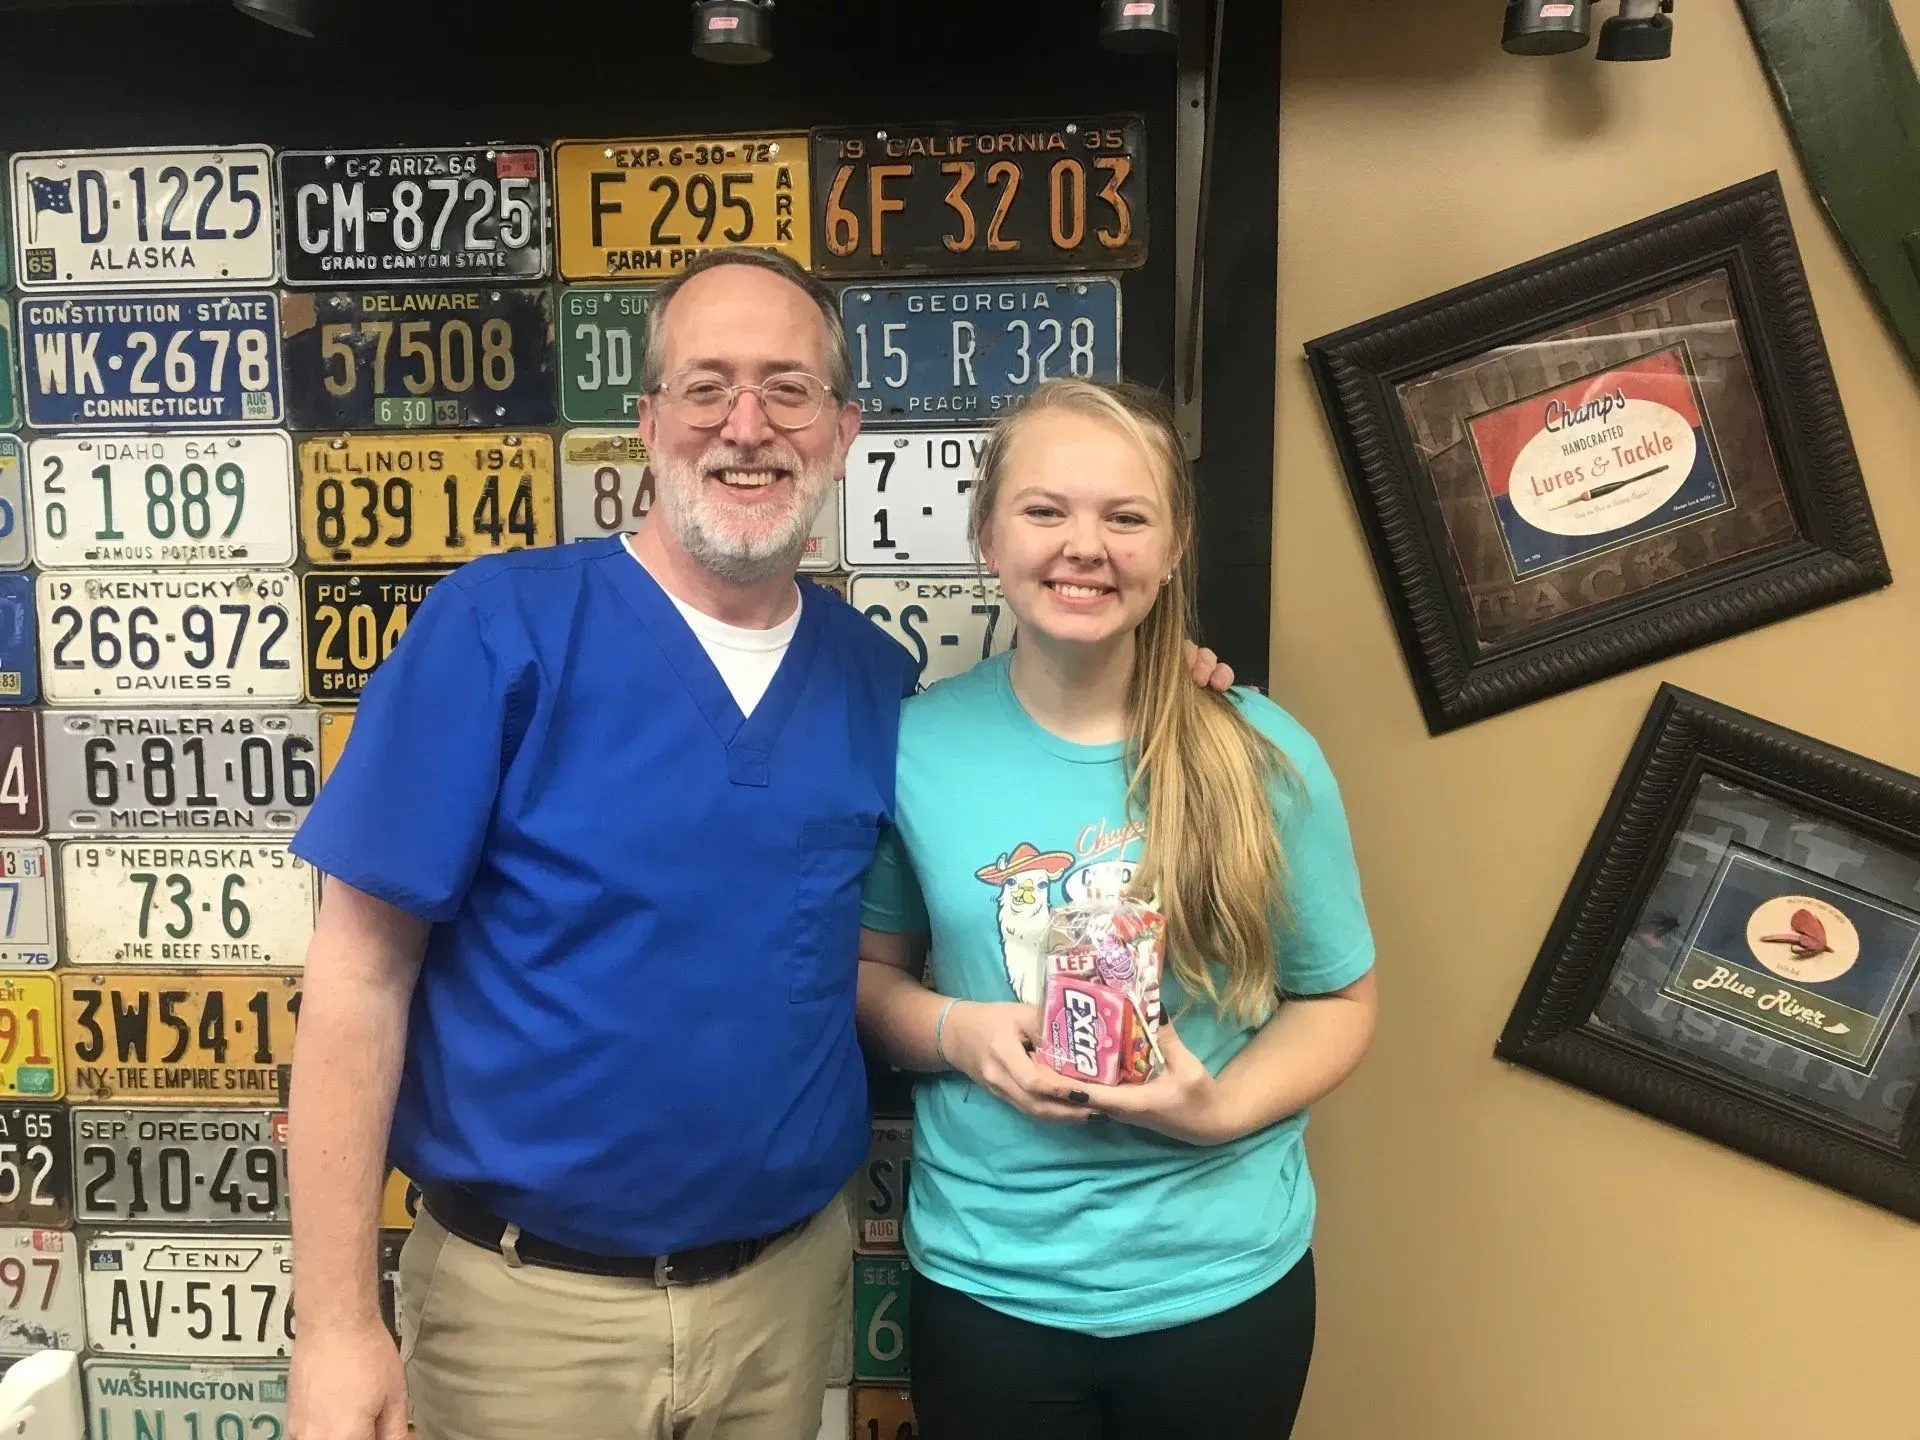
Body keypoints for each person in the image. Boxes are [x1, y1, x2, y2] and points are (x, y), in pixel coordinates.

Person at [284, 248, 1233, 1440]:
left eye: (788, 389)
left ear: (840, 432)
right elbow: (358, 978)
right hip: (527, 1318)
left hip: (783, 1304)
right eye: (706, 387)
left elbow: (1024, 763)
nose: (747, 425)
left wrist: (1165, 679)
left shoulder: (877, 684)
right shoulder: (496, 629)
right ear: (646, 421)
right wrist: (331, 1327)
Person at [856, 378, 1380, 1440]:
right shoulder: (914, 750)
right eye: (1045, 510)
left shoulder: (1262, 754)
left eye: (1125, 516)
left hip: (1221, 1286)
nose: (1082, 546)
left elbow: (1341, 999)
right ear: (987, 536)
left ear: (1176, 543)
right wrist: (962, 1035)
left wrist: (1219, 1111)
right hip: (989, 1286)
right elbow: (867, 984)